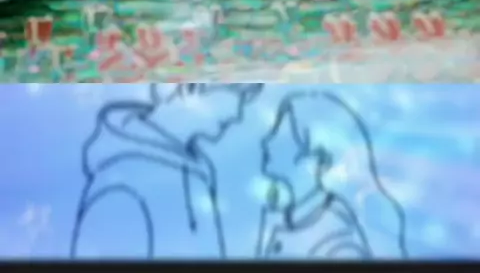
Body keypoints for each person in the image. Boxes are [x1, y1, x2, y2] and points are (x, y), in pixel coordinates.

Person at [70, 83, 263, 259]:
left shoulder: (193, 174)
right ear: (190, 88)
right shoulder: (125, 187)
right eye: (238, 94)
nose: (238, 115)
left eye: (245, 98)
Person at [256, 90, 407, 259]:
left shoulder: (340, 246)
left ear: (316, 157)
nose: (266, 141)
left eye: (279, 132)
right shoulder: (282, 218)